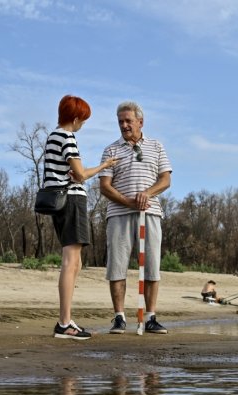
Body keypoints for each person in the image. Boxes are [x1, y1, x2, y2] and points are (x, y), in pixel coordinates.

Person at [46, 95, 117, 340]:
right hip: (71, 201)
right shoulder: (67, 137)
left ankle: (66, 320)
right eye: (83, 120)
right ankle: (64, 323)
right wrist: (104, 165)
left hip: (60, 201)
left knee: (73, 262)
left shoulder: (53, 136)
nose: (82, 125)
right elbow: (80, 175)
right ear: (75, 118)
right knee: (71, 262)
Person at [99, 101, 172, 334]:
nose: (124, 125)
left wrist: (146, 194)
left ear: (140, 122)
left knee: (151, 265)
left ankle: (150, 317)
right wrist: (128, 201)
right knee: (117, 266)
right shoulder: (111, 150)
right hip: (119, 214)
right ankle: (119, 318)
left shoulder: (157, 146)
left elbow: (165, 180)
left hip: (149, 213)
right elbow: (105, 186)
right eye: (120, 121)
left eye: (128, 121)